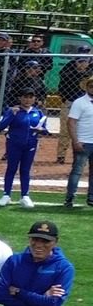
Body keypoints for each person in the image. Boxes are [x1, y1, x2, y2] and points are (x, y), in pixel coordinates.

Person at [0, 87, 46, 209]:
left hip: (30, 145)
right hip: (14, 144)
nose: (27, 100)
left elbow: (45, 130)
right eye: (25, 97)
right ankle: (6, 194)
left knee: (25, 170)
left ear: (34, 98)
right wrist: (11, 115)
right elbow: (0, 126)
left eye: (30, 97)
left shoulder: (38, 112)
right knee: (11, 168)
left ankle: (25, 195)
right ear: (20, 98)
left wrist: (41, 130)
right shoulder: (12, 111)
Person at [66, 77, 93, 208]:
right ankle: (70, 197)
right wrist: (75, 140)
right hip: (83, 142)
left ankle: (91, 197)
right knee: (77, 171)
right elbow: (71, 122)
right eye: (91, 86)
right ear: (87, 87)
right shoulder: (79, 102)